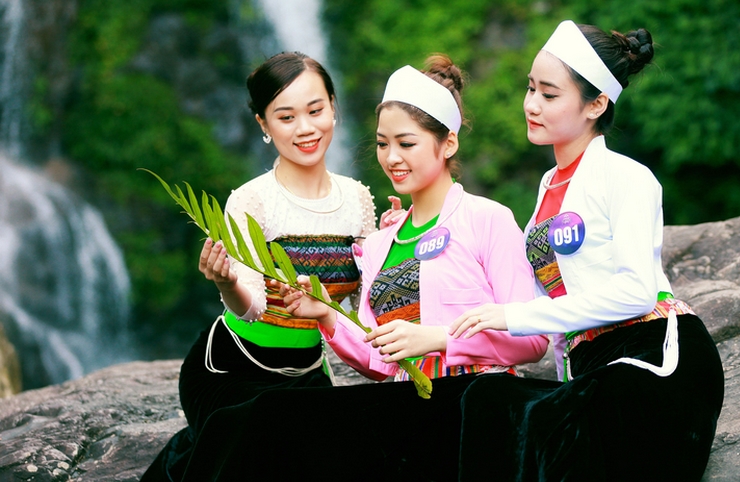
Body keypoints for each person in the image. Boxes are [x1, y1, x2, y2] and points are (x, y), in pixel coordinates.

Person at [172, 55, 549, 482]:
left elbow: (534, 338)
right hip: (402, 406)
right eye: (383, 144)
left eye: (407, 144)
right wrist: (326, 314)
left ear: (448, 143)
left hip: (479, 401)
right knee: (271, 422)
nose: (392, 158)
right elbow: (378, 358)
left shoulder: (487, 219)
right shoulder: (381, 244)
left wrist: (439, 339)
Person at [450, 20, 725, 481]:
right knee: (487, 399)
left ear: (596, 104)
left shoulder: (627, 176)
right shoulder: (547, 187)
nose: (531, 104)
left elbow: (637, 293)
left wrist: (513, 315)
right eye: (530, 88)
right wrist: (450, 334)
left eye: (549, 94)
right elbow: (550, 311)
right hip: (591, 367)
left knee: (562, 422)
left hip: (653, 353)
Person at [141, 51, 377, 482]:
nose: (305, 128)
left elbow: (364, 307)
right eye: (286, 117)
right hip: (230, 370)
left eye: (315, 110)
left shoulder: (358, 199)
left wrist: (393, 247)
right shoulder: (252, 200)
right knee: (264, 446)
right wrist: (227, 283)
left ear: (333, 107)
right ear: (263, 125)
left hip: (306, 372)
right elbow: (249, 308)